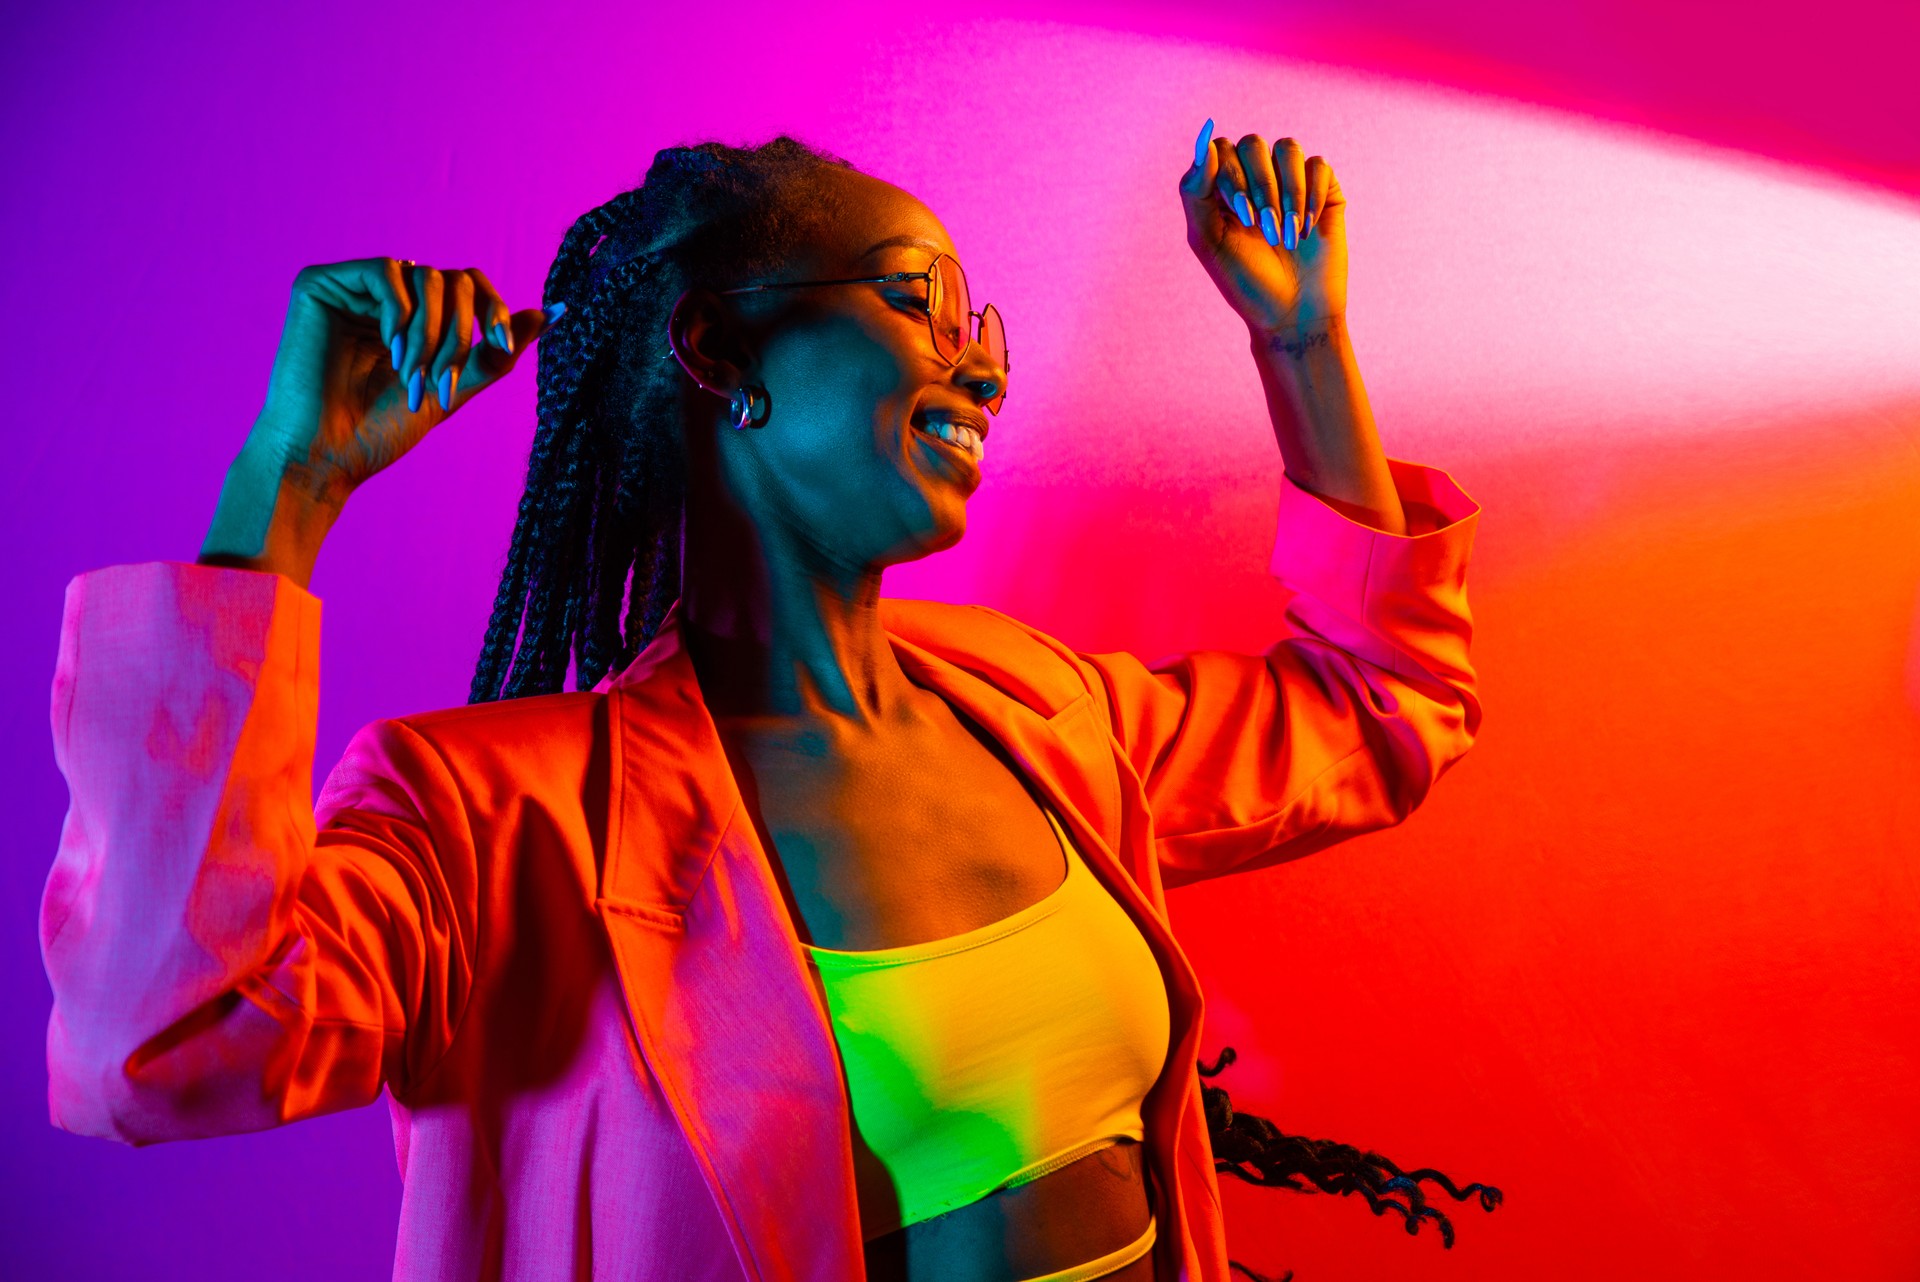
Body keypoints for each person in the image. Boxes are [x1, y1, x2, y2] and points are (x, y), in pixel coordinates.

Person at [41, 123, 1492, 1282]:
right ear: (720, 356)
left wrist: (1301, 346)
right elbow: (168, 1044)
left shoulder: (1036, 707)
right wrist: (287, 487)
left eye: (976, 316)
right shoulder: (499, 823)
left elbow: (1380, 710)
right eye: (921, 302)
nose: (982, 356)